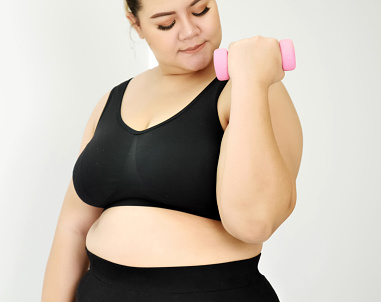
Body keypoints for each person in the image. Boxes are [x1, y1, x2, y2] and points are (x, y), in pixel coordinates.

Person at [41, 0, 303, 301]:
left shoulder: (248, 89)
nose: (190, 31)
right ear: (136, 24)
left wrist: (251, 80)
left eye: (201, 10)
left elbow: (255, 221)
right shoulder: (110, 101)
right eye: (167, 23)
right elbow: (72, 227)